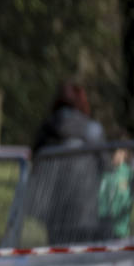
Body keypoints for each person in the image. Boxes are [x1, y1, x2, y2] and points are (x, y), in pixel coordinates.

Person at [29, 81, 107, 242]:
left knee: (57, 253)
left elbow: (34, 161)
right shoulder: (92, 130)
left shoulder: (46, 129)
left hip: (53, 209)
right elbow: (107, 166)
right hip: (86, 209)